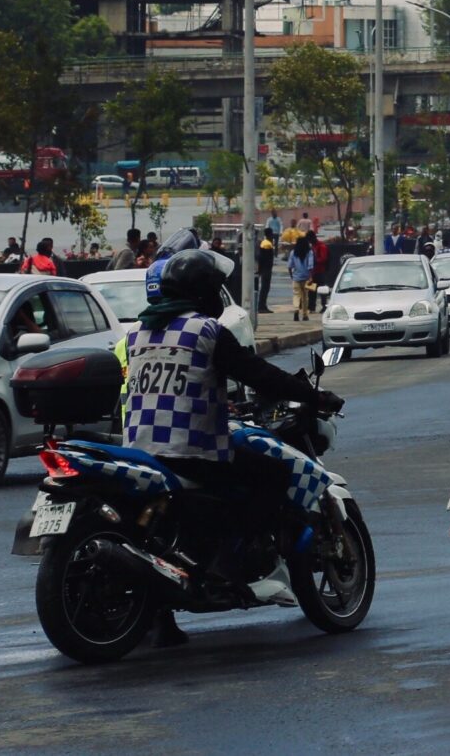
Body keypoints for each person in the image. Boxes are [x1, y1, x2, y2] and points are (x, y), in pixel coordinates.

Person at [119, 248, 342, 646]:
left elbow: (178, 383)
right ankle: (232, 563)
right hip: (190, 449)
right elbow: (258, 374)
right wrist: (314, 396)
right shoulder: (205, 330)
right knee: (273, 474)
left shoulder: (136, 332)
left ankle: (163, 613)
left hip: (140, 449)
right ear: (204, 293)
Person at [287, 236, 318, 322]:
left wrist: (291, 276)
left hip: (296, 277)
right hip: (306, 277)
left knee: (296, 295)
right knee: (305, 297)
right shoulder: (309, 252)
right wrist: (311, 277)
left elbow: (289, 266)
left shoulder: (293, 252)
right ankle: (305, 315)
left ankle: (296, 309)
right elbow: (310, 266)